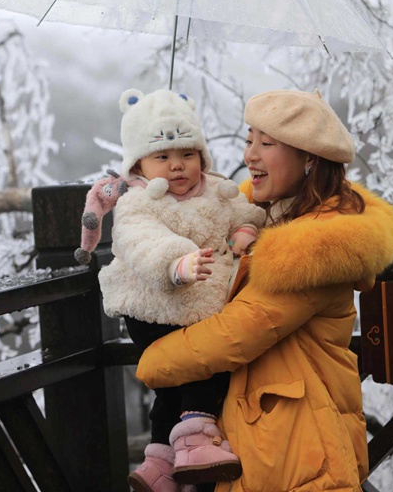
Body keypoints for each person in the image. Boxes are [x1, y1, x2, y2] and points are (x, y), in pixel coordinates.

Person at [135, 88, 393, 492]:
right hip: (263, 433)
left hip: (300, 447)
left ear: (309, 157)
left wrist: (153, 360)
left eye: (267, 143)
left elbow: (236, 333)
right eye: (248, 140)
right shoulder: (261, 220)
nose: (250, 156)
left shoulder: (315, 246)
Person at [97, 88, 266, 492]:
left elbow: (239, 210)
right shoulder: (138, 202)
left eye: (187, 155)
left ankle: (159, 464)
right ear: (139, 163)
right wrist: (175, 261)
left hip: (194, 302)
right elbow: (140, 241)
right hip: (153, 305)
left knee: (173, 386)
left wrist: (245, 228)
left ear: (202, 158)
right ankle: (195, 444)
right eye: (163, 157)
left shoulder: (214, 189)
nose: (177, 166)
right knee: (202, 368)